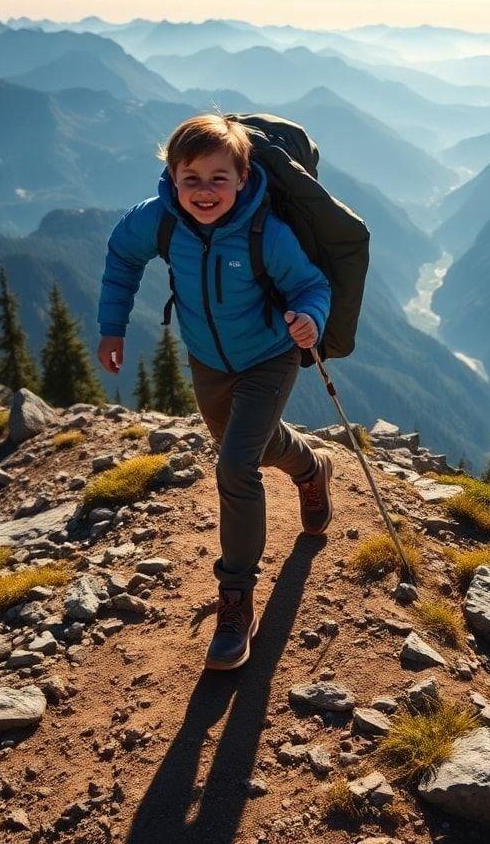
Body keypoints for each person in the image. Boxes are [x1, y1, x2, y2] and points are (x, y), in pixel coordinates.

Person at [96, 113, 334, 671]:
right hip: (208, 362)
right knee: (252, 445)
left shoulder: (265, 231)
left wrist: (310, 318)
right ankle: (310, 469)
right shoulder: (159, 222)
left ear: (243, 175)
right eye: (191, 178)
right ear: (172, 177)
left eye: (218, 178)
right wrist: (113, 325)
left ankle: (236, 600)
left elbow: (310, 284)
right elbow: (121, 256)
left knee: (234, 465)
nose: (204, 192)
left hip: (270, 357)